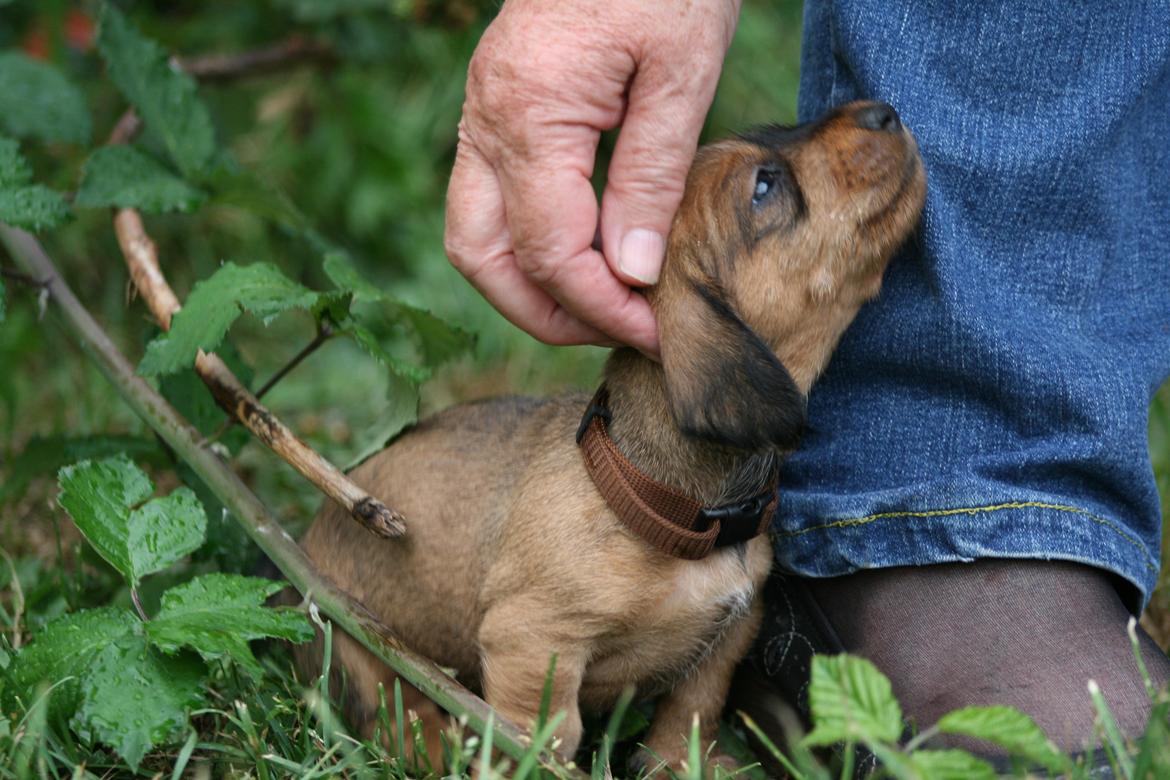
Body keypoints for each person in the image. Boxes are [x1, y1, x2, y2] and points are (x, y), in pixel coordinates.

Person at [444, 0, 1170, 759]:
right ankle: (928, 508)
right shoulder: (592, 537)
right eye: (766, 188)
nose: (867, 121)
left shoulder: (734, 522)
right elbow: (529, 631)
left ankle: (994, 506)